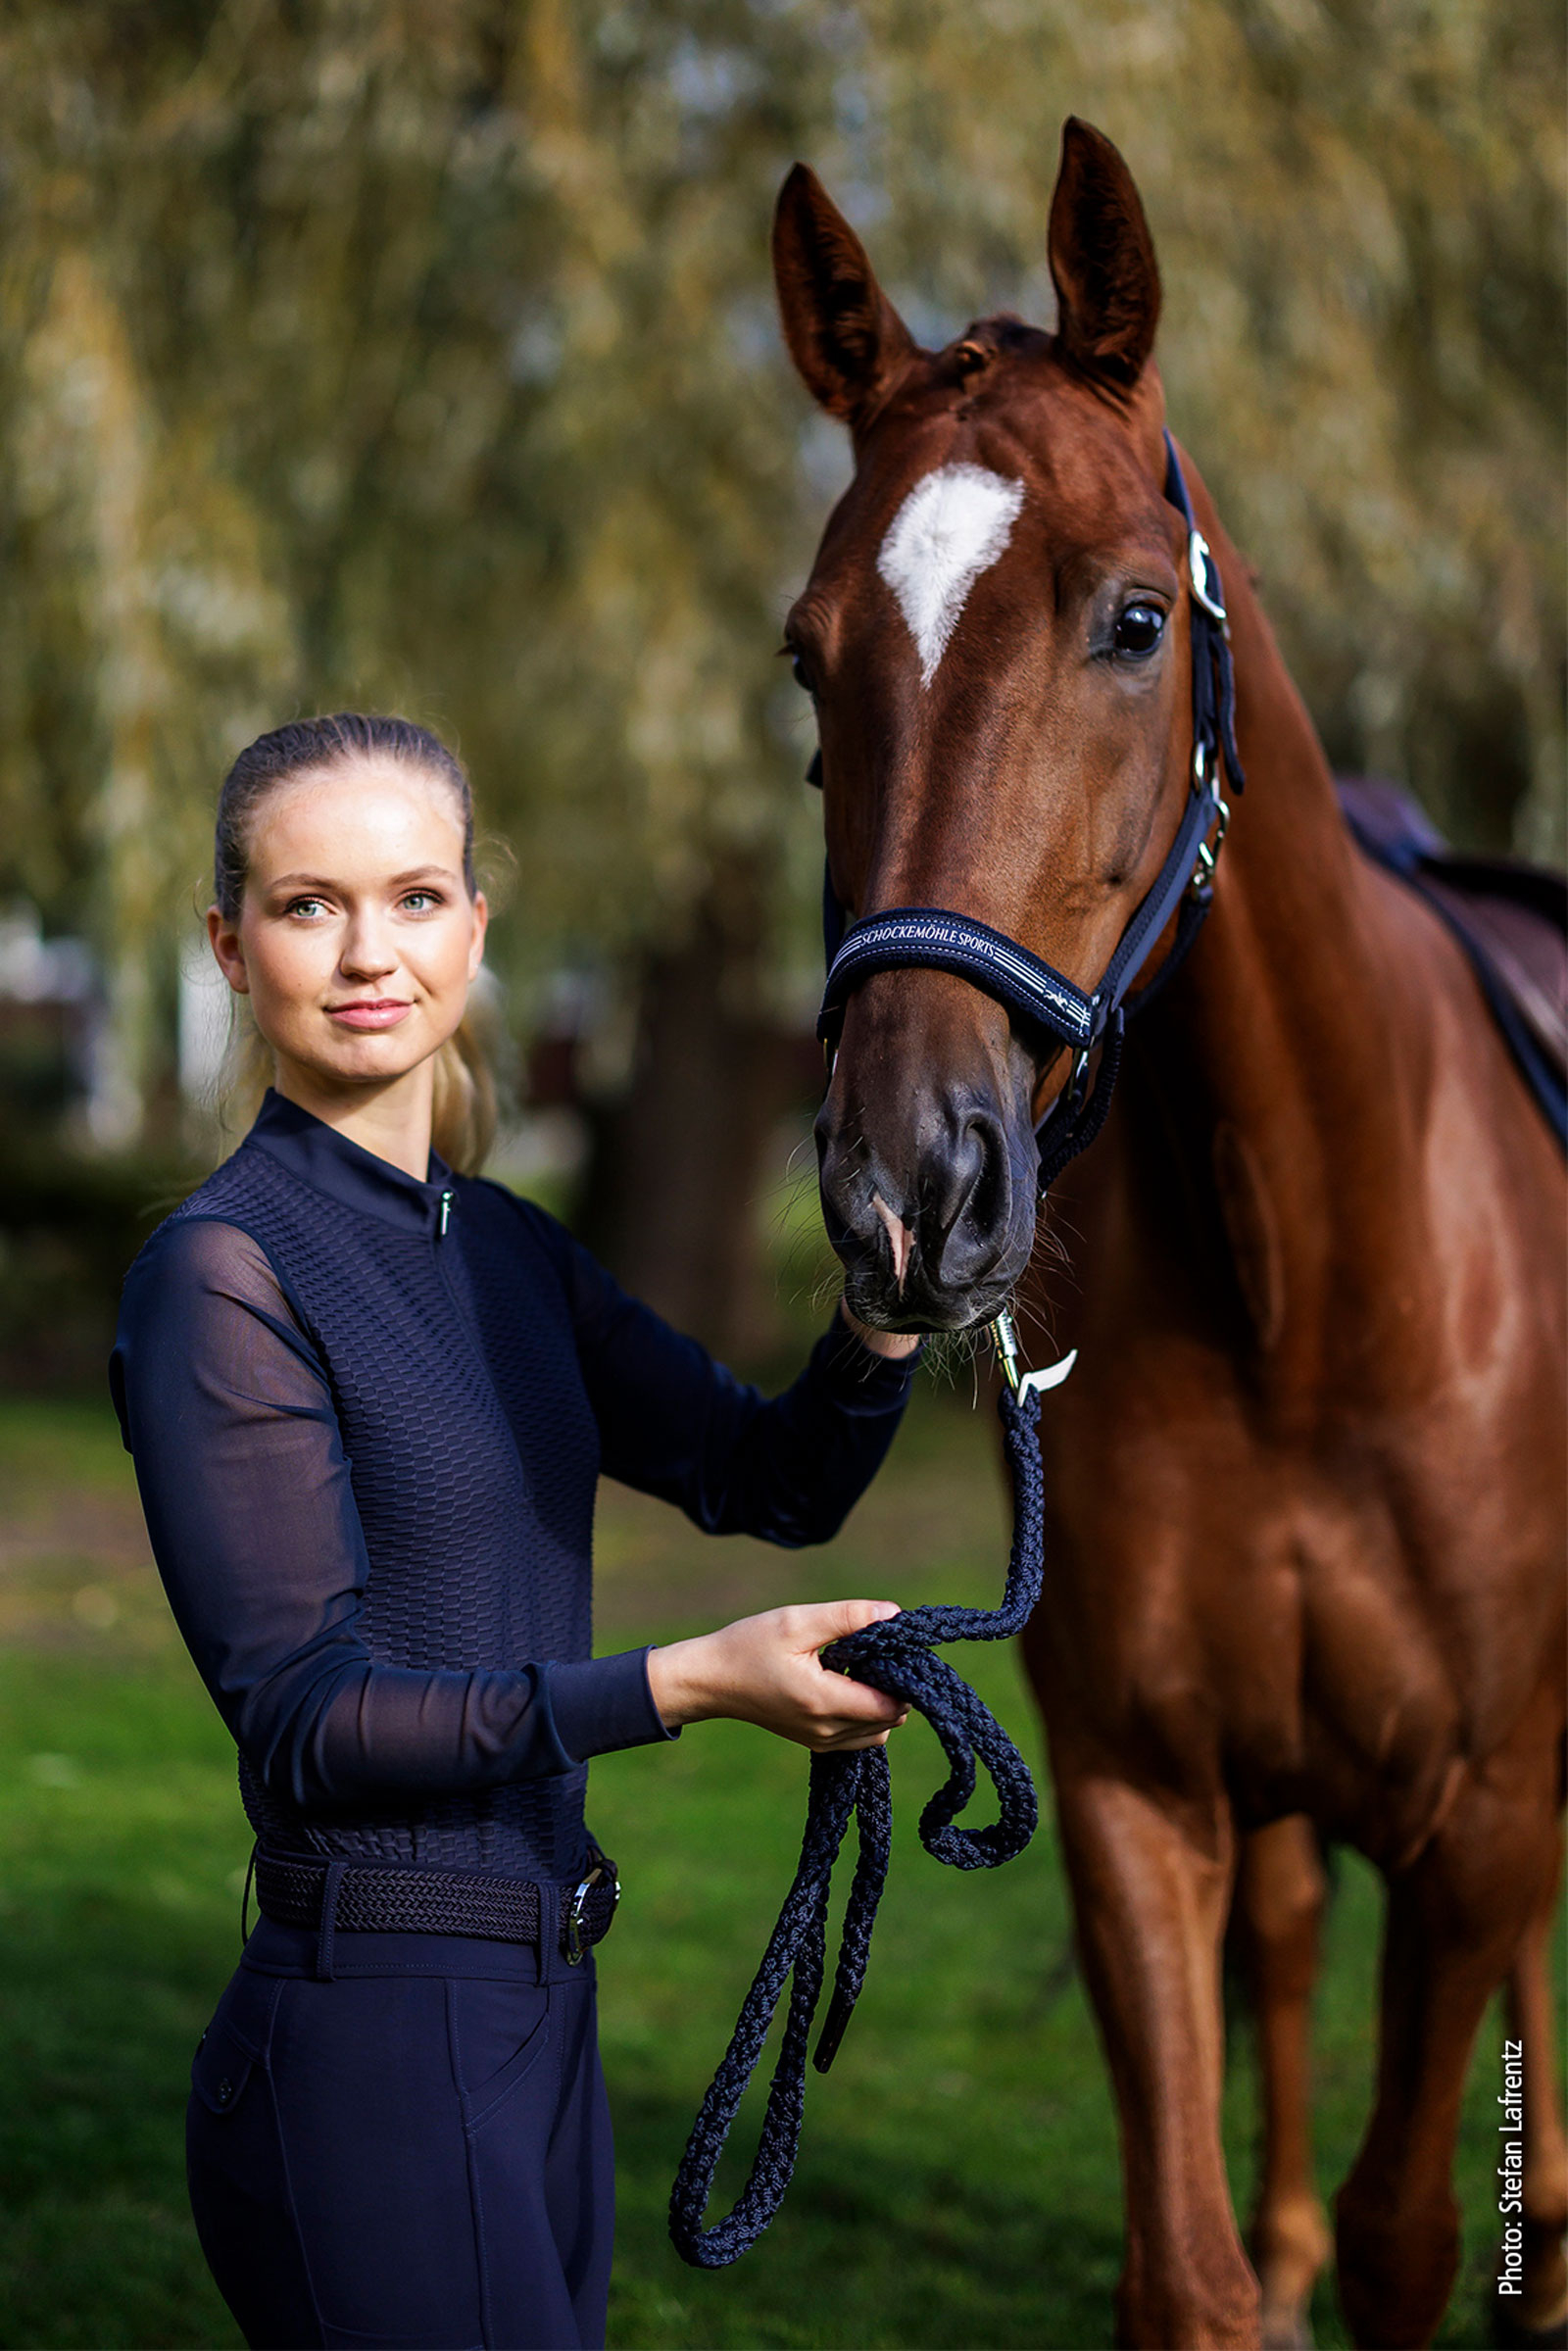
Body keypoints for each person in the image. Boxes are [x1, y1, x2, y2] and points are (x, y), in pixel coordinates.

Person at [110, 712, 919, 2351]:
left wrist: (885, 1321)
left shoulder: (510, 1253)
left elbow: (771, 1481)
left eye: (413, 900)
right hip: (376, 2046)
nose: (366, 956)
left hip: (543, 2012)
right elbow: (311, 1720)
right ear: (227, 943)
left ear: (478, 925)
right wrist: (687, 1682)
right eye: (305, 905)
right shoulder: (223, 1276)